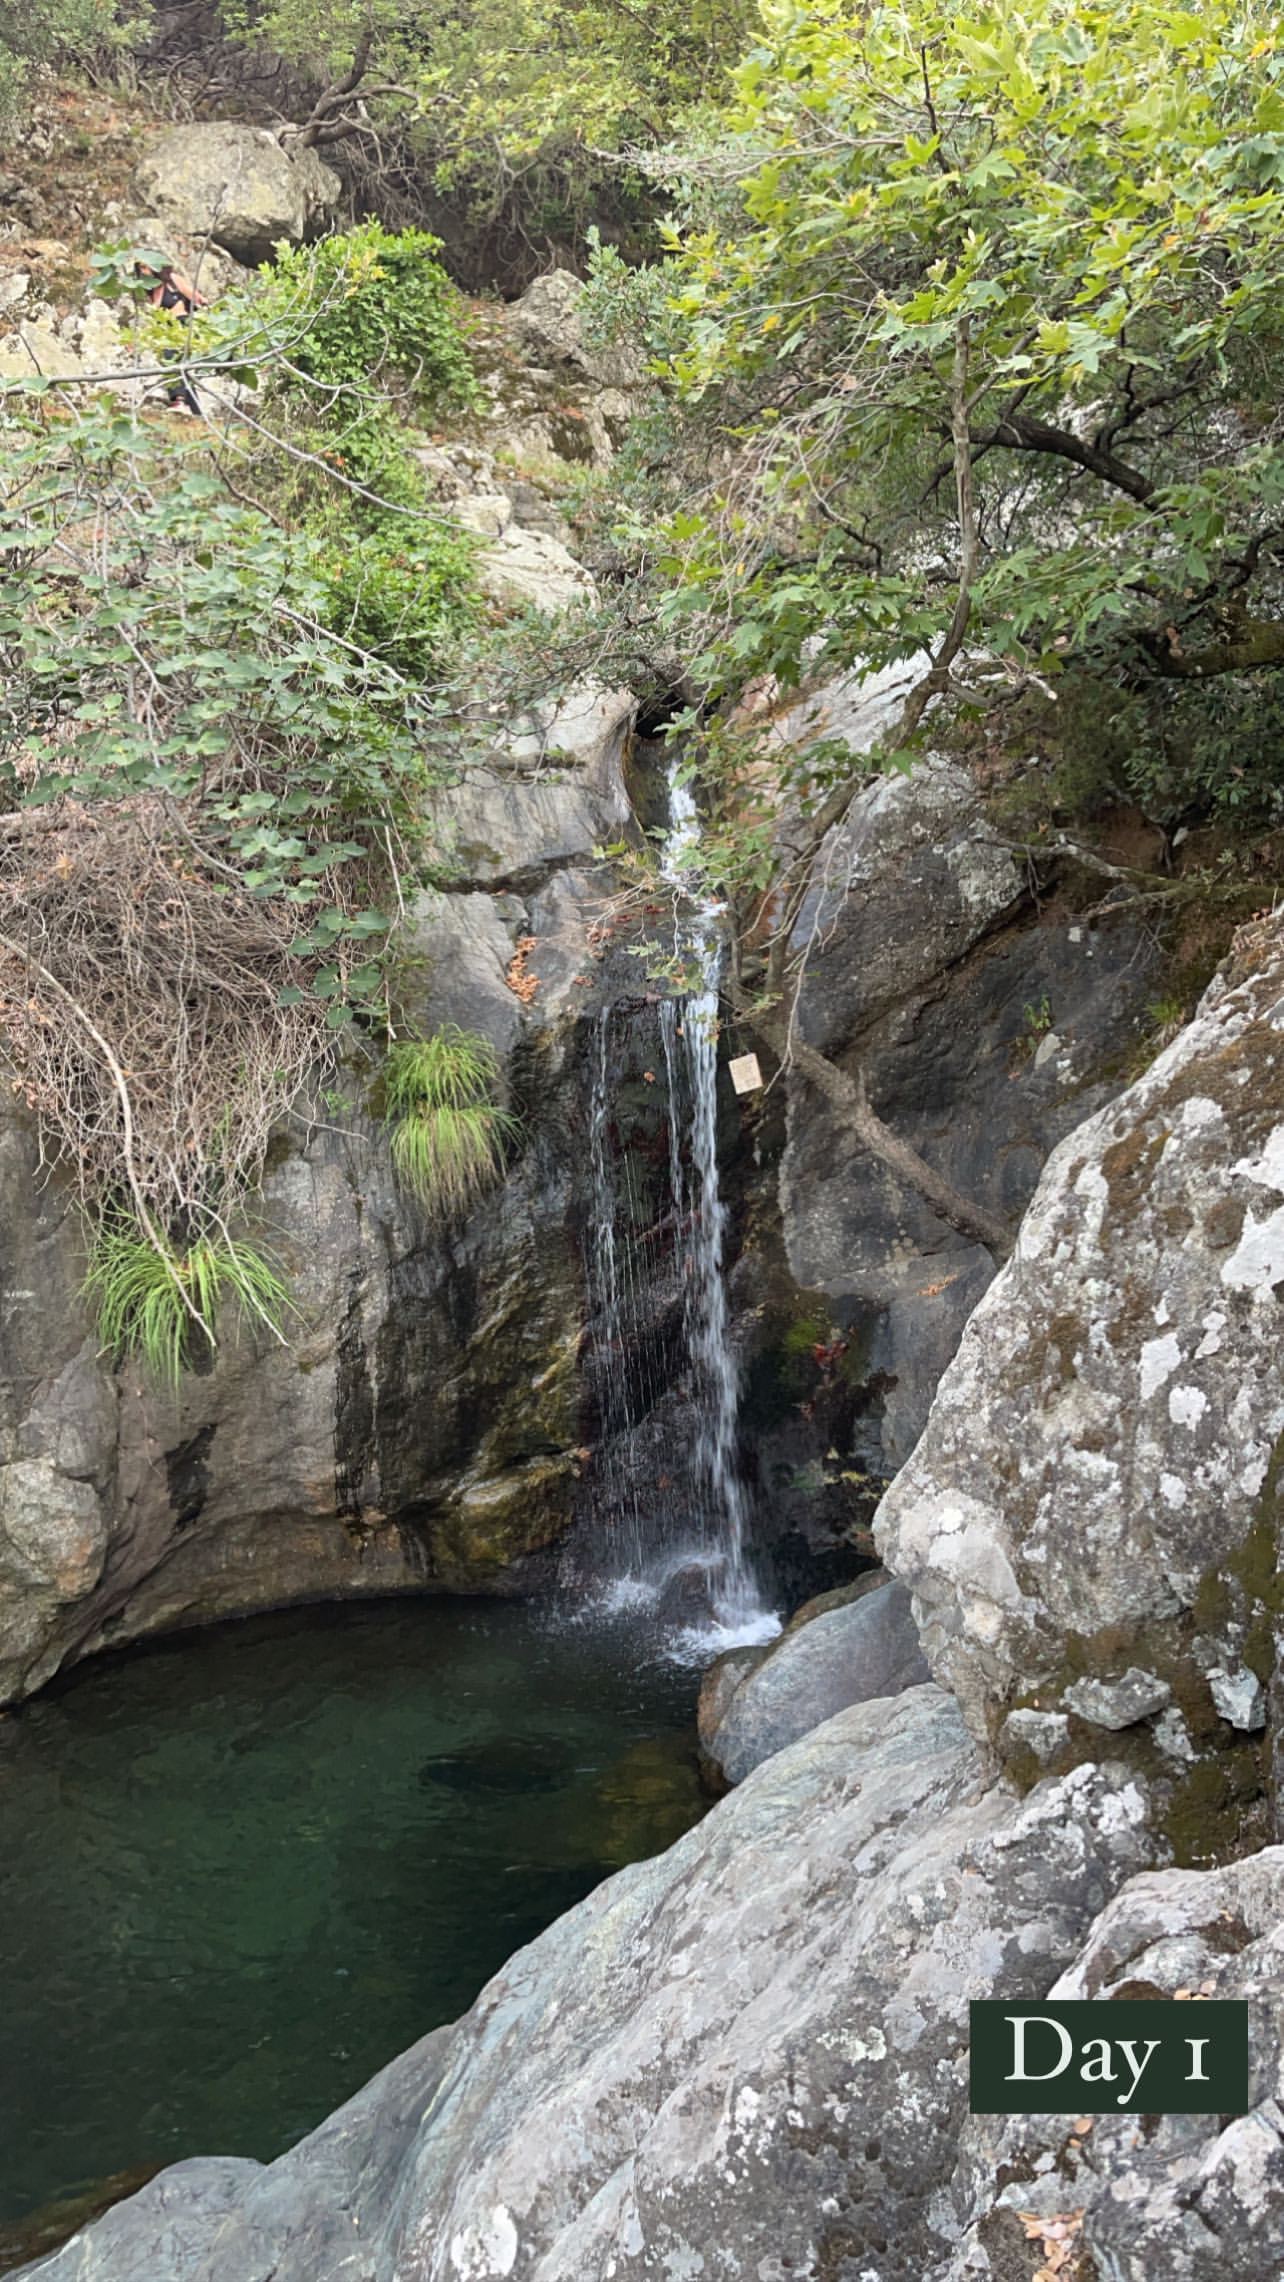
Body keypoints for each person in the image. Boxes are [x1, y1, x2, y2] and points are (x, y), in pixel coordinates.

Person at [135, 257, 208, 417]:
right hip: (167, 329)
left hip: (183, 325)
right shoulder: (154, 293)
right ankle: (196, 412)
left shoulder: (173, 281)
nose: (144, 271)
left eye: (146, 267)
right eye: (141, 268)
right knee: (181, 368)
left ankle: (179, 401)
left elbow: (198, 298)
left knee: (172, 359)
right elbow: (153, 319)